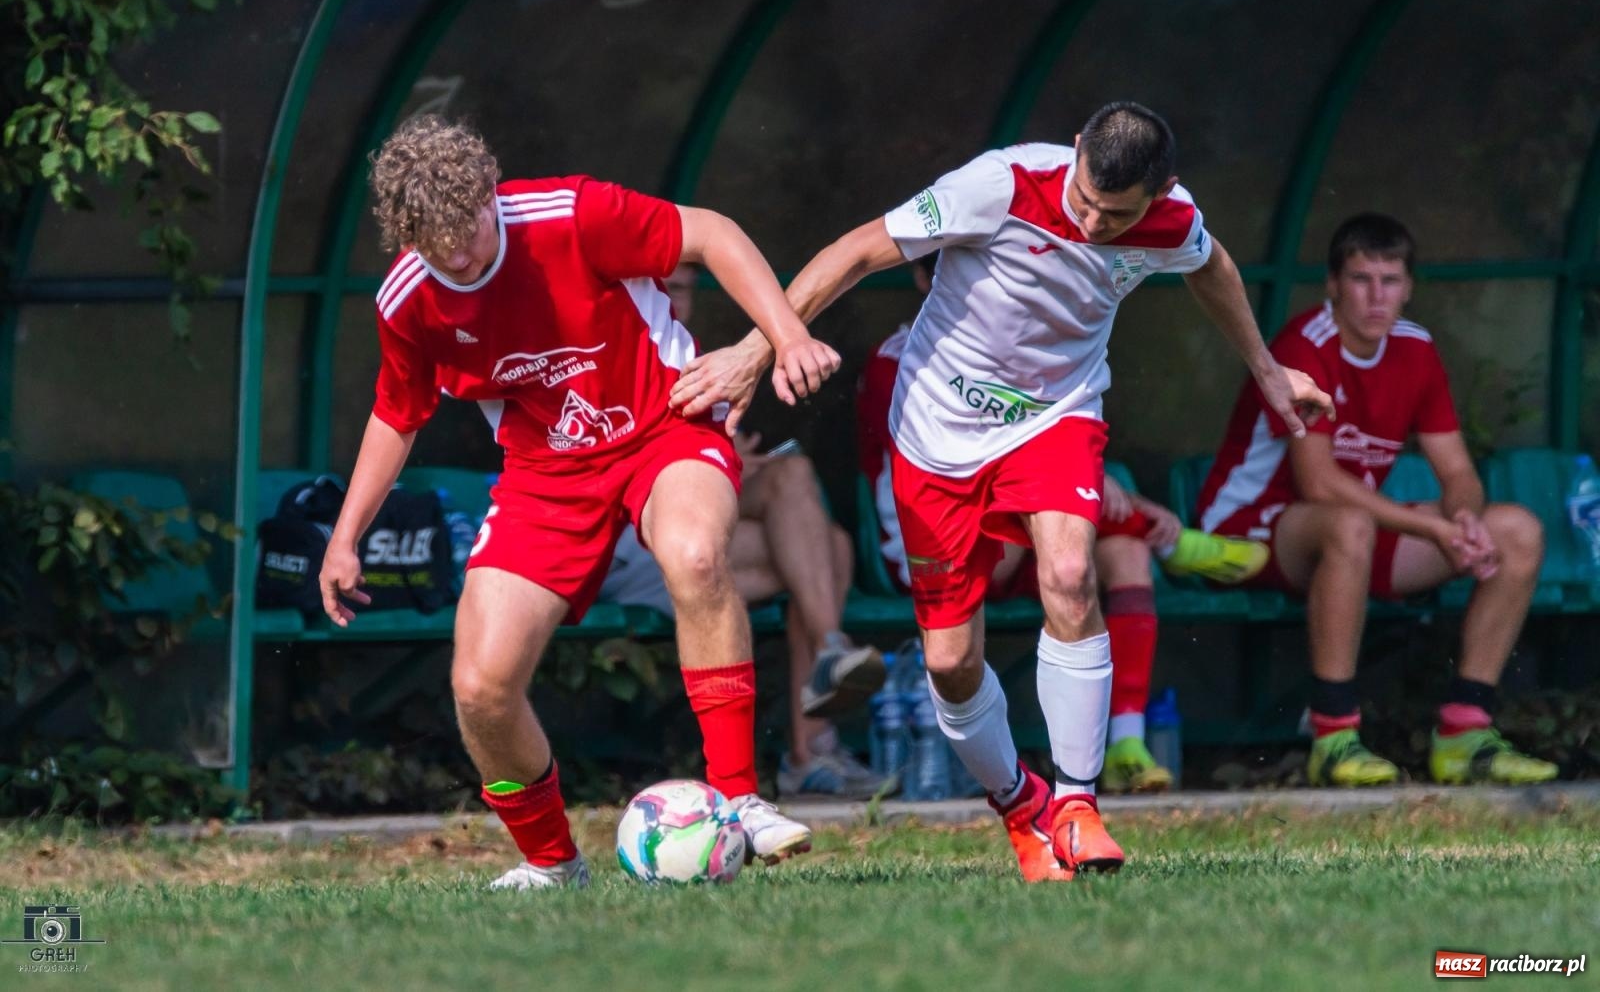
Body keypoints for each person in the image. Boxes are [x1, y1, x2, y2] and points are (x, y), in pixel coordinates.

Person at [674, 102, 1334, 881]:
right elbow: (856, 252)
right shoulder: (999, 183)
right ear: (1078, 146)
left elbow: (1213, 264)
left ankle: (1079, 804)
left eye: (1113, 214)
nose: (1088, 220)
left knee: (1069, 572)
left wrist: (1266, 369)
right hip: (935, 436)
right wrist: (762, 345)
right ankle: (1023, 810)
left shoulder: (1171, 220)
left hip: (1055, 419)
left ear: (1160, 195)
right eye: (1083, 198)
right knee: (951, 661)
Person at [318, 115, 842, 891]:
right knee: (479, 685)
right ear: (408, 237)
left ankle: (737, 799)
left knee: (697, 555)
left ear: (493, 194)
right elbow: (399, 411)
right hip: (544, 474)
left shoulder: (571, 215)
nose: (461, 251)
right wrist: (345, 535)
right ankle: (553, 862)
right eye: (438, 241)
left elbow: (715, 235)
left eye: (471, 226)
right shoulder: (409, 300)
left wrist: (785, 335)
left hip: (663, 424)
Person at [857, 254, 1270, 793]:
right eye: (954, 273)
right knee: (955, 655)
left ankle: (1125, 742)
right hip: (932, 536)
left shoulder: (1019, 345)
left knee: (1116, 554)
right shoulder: (899, 358)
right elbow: (964, 464)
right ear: (922, 280)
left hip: (1012, 525)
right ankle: (1165, 535)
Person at [1195, 212, 1556, 787]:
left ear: (1409, 289)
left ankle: (1465, 730)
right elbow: (1318, 483)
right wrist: (1433, 531)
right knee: (1349, 525)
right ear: (1334, 286)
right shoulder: (1306, 343)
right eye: (1361, 279)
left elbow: (1457, 468)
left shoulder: (1415, 350)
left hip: (1347, 531)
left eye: (1390, 281)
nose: (1375, 297)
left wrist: (1461, 518)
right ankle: (1334, 737)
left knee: (1516, 531)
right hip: (1242, 530)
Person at [599, 266, 889, 800]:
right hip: (626, 538)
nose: (669, 298)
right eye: (659, 286)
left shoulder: (692, 354)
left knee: (805, 494)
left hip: (697, 520)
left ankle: (827, 660)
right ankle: (811, 746)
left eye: (681, 287)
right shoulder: (608, 345)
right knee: (826, 554)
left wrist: (723, 465)